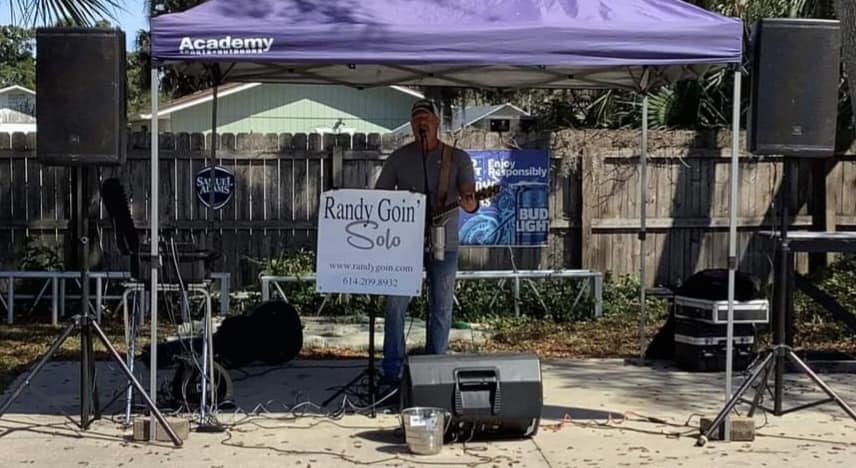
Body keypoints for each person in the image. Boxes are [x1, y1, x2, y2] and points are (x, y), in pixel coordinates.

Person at [374, 99, 478, 387]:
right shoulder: (399, 158)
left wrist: (470, 202)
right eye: (416, 119)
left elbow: (469, 200)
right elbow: (379, 199)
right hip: (403, 243)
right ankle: (391, 370)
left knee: (441, 306)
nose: (422, 124)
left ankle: (435, 370)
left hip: (445, 240)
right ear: (412, 126)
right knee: (395, 304)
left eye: (426, 119)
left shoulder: (457, 159)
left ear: (436, 124)